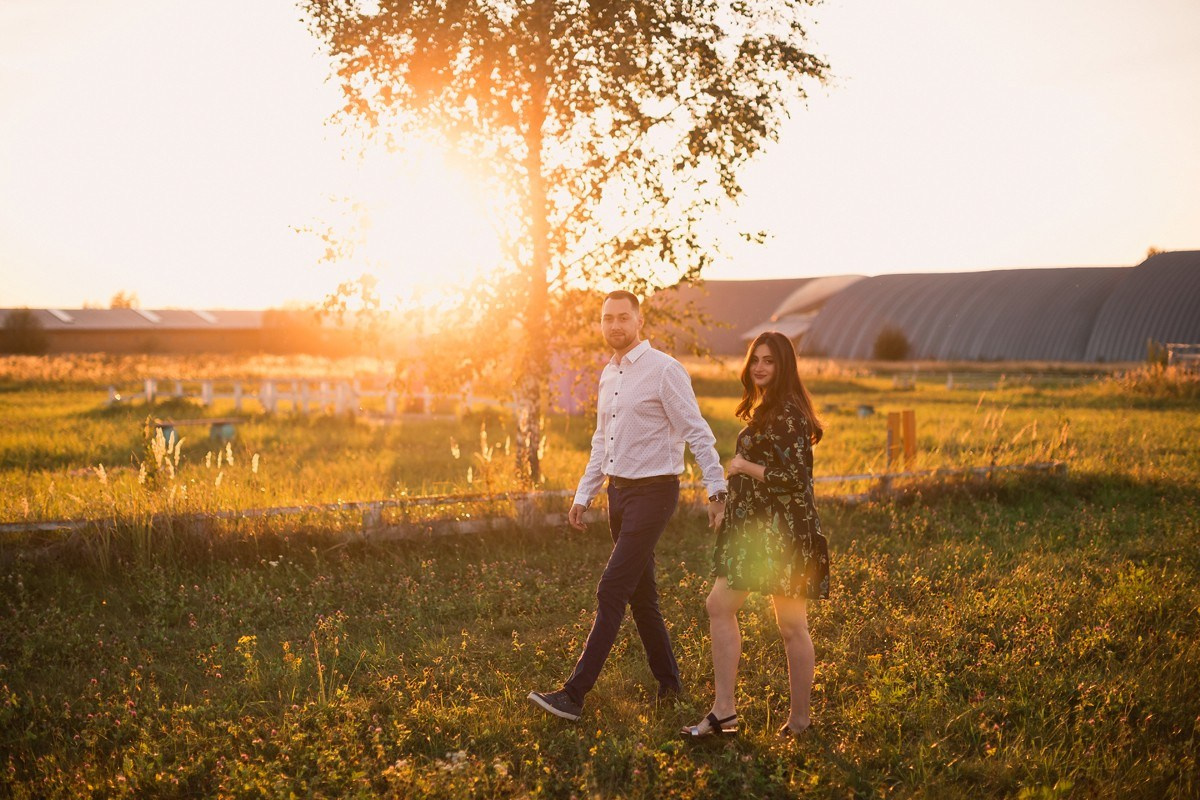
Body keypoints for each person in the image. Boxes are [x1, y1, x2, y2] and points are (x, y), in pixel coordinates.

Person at [529, 290, 729, 722]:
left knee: (612, 588)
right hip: (617, 495)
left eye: (623, 317)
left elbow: (697, 431)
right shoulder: (609, 374)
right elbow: (602, 441)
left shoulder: (664, 370)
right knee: (642, 596)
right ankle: (670, 685)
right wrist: (584, 494)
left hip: (655, 493)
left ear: (639, 322)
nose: (615, 325)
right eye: (607, 318)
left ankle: (574, 695)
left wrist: (717, 491)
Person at [681, 331, 830, 739]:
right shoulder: (767, 409)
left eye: (769, 361)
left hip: (785, 535)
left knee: (791, 625)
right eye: (756, 360)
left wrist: (742, 467)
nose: (760, 367)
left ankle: (799, 721)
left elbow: (794, 478)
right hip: (756, 534)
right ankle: (724, 711)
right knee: (719, 605)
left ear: (784, 367)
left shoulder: (789, 413)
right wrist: (729, 504)